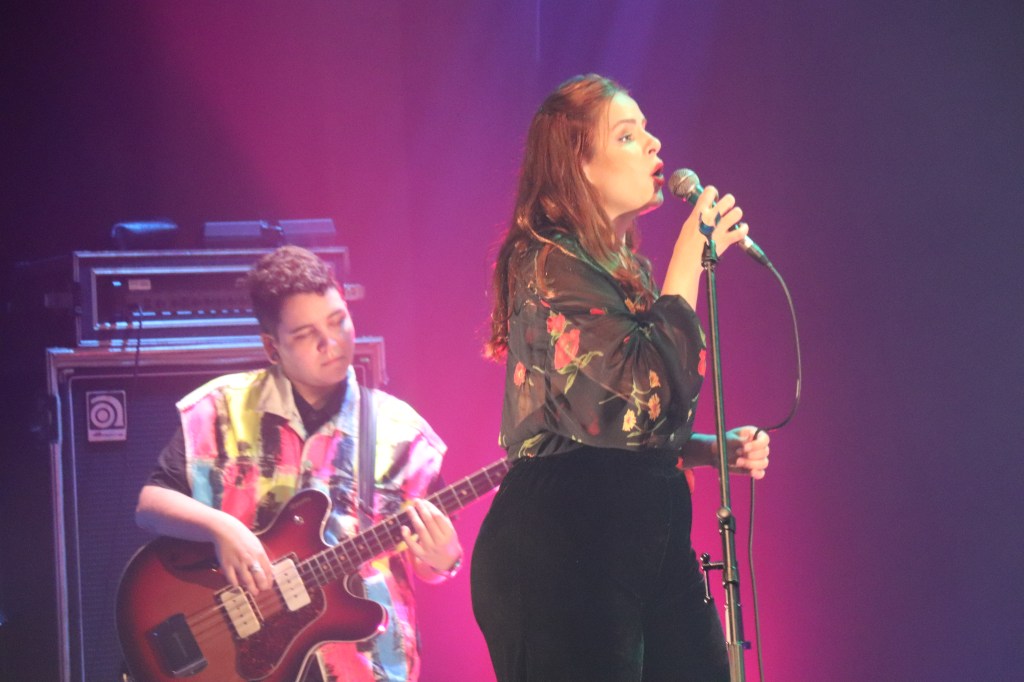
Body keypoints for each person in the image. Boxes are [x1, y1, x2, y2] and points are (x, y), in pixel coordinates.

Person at [469, 74, 771, 681]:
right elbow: (639, 395)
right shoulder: (547, 262)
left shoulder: (619, 271)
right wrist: (690, 255)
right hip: (564, 541)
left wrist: (706, 449)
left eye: (647, 131)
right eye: (628, 136)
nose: (654, 145)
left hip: (641, 537)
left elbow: (620, 423)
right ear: (579, 165)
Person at [135, 245, 463, 682]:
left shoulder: (404, 434)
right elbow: (151, 505)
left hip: (364, 666)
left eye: (338, 320)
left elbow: (429, 563)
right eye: (307, 335)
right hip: (240, 656)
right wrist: (221, 528)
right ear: (272, 347)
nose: (332, 343)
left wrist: (443, 558)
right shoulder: (220, 410)